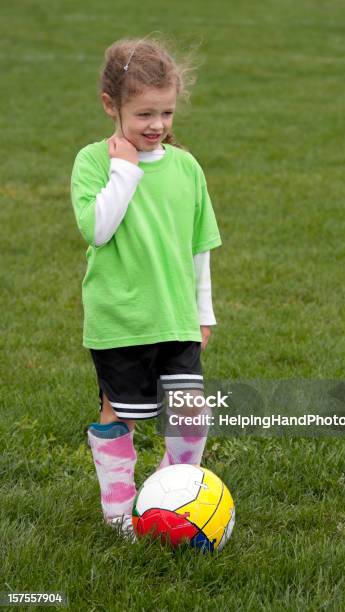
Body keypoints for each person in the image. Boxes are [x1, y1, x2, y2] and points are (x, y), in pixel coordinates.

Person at [70, 36, 222, 538]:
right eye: (143, 114)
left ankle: (169, 492)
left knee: (191, 416)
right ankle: (118, 512)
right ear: (111, 106)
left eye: (166, 113)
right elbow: (98, 229)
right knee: (122, 415)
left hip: (175, 315)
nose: (157, 125)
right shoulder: (95, 162)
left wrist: (204, 311)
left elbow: (200, 245)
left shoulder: (187, 168)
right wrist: (125, 171)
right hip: (121, 319)